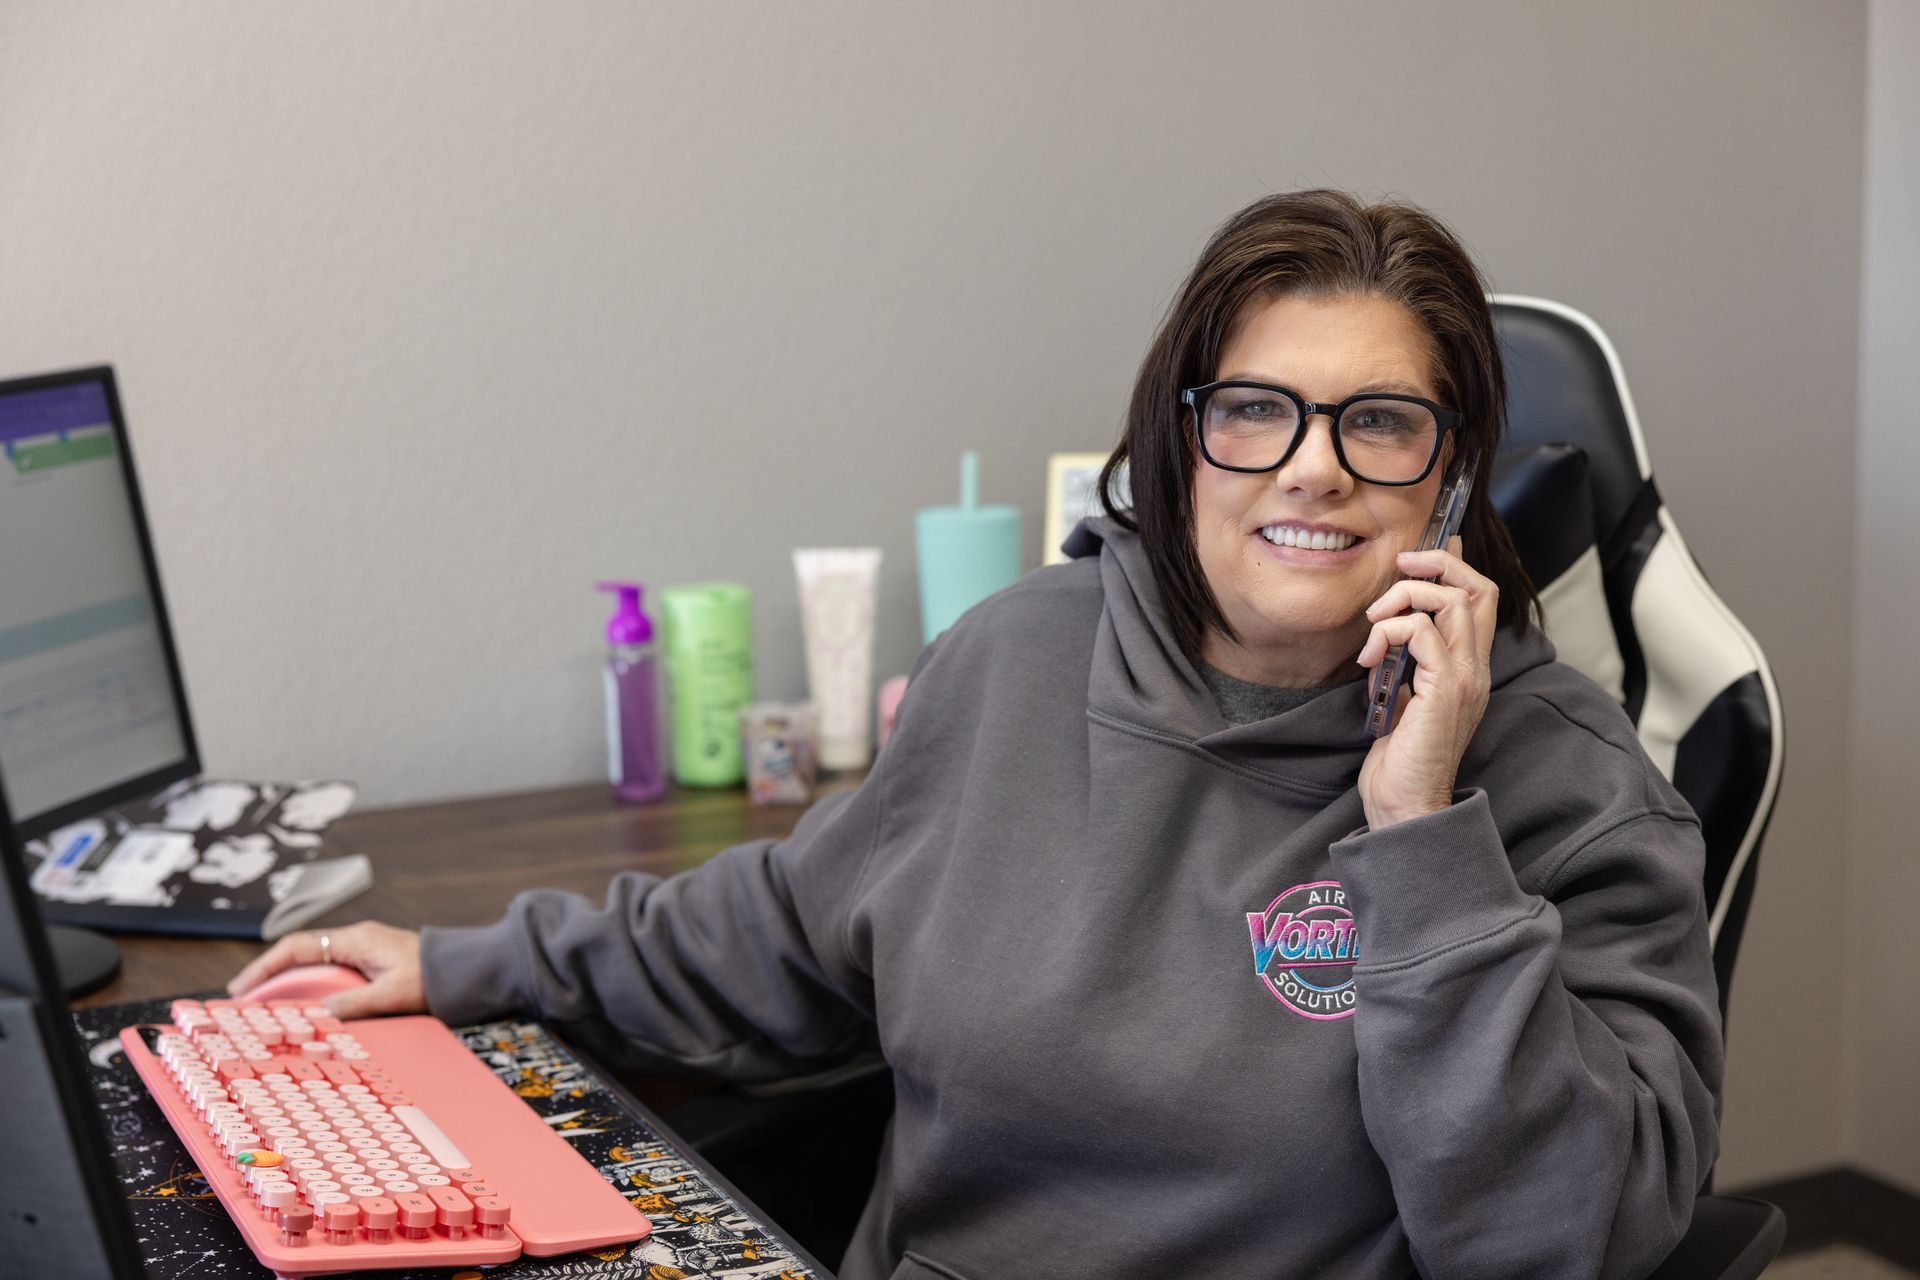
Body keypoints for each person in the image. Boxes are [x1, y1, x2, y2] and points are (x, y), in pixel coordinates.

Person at [231, 189, 1722, 1279]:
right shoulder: (1019, 657)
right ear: (1179, 439)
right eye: (1257, 411)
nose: (1312, 472)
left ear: (1451, 478)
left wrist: (1420, 838)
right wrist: (460, 963)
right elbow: (785, 931)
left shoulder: (1575, 796)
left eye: (1380, 423)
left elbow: (1564, 1244)